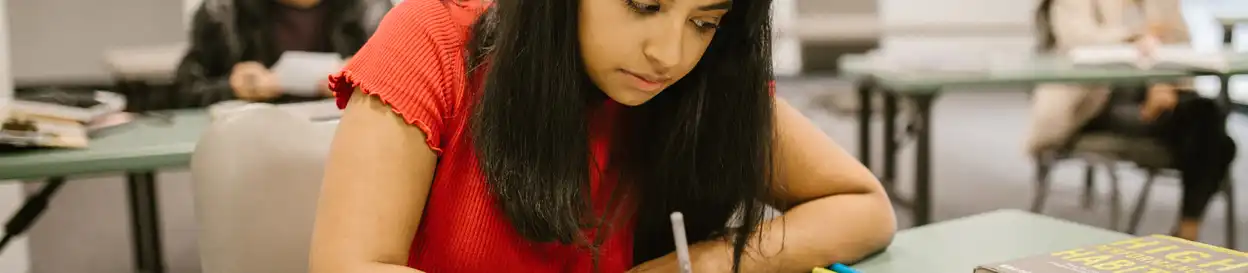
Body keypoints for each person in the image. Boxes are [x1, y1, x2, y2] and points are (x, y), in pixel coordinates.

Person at [308, 0, 897, 272]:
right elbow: (347, 266)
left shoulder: (701, 84)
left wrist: (702, 266)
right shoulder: (434, 39)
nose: (668, 55)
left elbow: (863, 208)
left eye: (704, 21)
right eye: (644, 5)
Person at [1030, 0, 1236, 241]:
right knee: (1214, 138)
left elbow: (1180, 44)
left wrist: (1162, 83)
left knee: (1208, 118)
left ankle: (1186, 233)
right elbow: (1076, 39)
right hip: (1095, 100)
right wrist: (1134, 37)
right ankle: (1187, 233)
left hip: (1158, 95)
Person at [173, 0, 392, 108]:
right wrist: (232, 89)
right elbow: (182, 91)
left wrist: (362, 81)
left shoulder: (369, 10)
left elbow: (408, 88)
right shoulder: (223, 14)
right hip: (255, 151)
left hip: (348, 146)